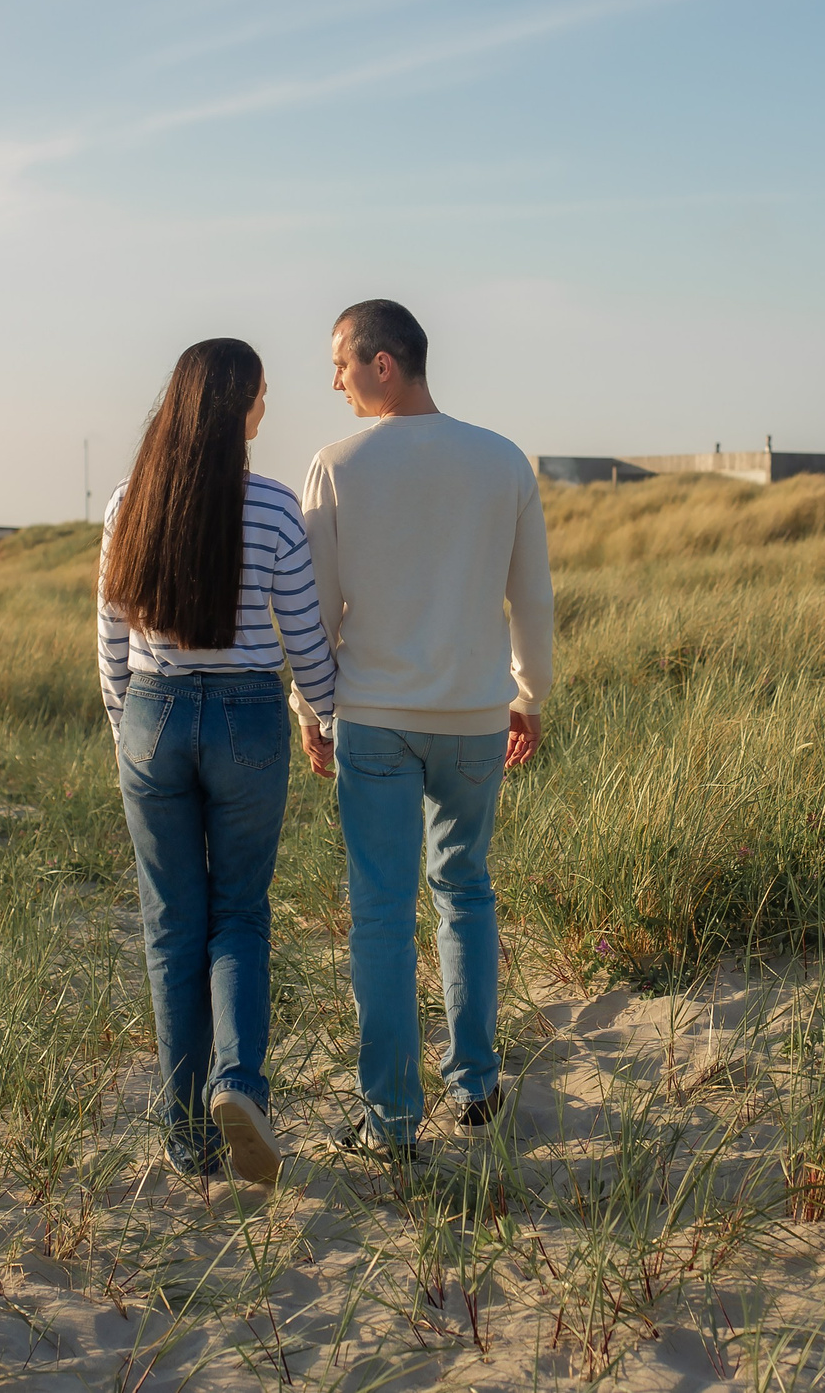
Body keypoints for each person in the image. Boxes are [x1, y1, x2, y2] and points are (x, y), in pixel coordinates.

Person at [294, 299, 552, 1159]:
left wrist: (312, 710)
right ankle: (475, 1085)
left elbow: (314, 611)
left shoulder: (336, 465)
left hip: (377, 717)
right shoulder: (503, 459)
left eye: (340, 363)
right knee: (466, 890)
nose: (332, 380)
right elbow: (532, 598)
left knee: (379, 911)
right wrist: (531, 694)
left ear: (383, 363)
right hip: (477, 716)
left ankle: (392, 1116)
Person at [98, 338, 337, 1183]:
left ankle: (185, 1134)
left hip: (155, 714)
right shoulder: (272, 507)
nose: (265, 411)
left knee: (172, 926)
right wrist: (329, 716)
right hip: (244, 714)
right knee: (238, 911)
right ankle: (238, 1084)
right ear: (236, 407)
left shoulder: (133, 500)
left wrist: (131, 727)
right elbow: (304, 638)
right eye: (261, 398)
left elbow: (112, 638)